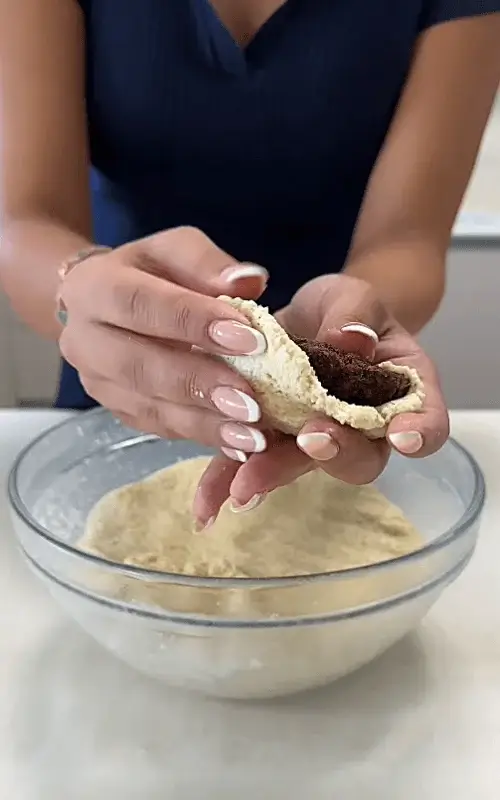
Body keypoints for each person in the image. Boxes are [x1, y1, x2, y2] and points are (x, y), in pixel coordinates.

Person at [0, 1, 499, 529]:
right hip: (118, 354)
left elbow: (408, 241)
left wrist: (353, 331)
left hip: (328, 400)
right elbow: (28, 222)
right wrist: (78, 285)